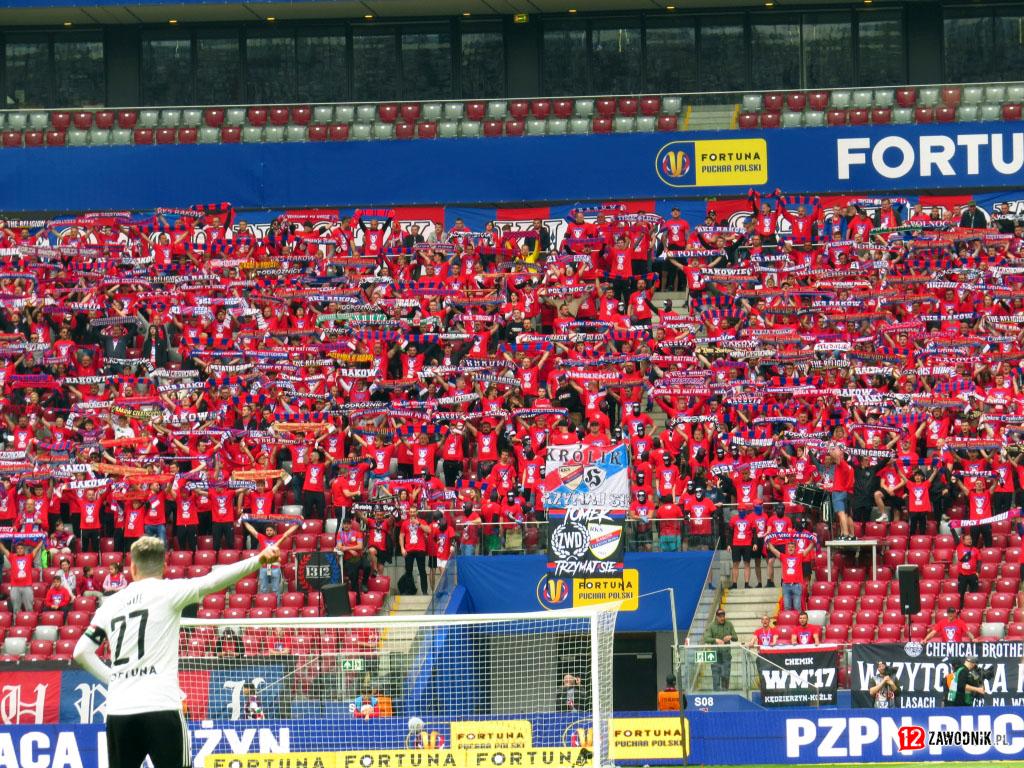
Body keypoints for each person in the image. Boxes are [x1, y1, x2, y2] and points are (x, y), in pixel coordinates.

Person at [73, 536, 282, 768]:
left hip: (120, 709)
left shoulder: (110, 604)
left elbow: (81, 652)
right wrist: (258, 560)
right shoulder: (169, 591)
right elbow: (213, 581)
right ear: (164, 567)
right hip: (161, 706)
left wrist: (114, 678)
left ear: (132, 567)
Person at [242, 521, 297, 600]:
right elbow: (252, 530)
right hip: (264, 567)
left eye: (271, 530)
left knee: (276, 590)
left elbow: (288, 533)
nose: (269, 532)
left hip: (275, 568)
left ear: (274, 531)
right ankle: (264, 605)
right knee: (263, 589)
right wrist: (245, 522)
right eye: (267, 530)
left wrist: (297, 524)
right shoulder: (261, 537)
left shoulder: (278, 538)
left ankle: (277, 606)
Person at [0, 539, 44, 613]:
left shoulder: (29, 557)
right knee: (16, 609)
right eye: (18, 548)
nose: (20, 550)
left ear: (24, 550)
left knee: (29, 608)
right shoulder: (12, 557)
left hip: (27, 586)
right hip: (15, 587)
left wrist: (42, 539)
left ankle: (29, 620)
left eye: (21, 548)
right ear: (16, 550)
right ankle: (16, 620)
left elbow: (36, 549)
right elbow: (4, 549)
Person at [767, 540, 808, 611]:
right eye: (789, 547)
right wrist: (768, 541)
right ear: (787, 548)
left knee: (797, 608)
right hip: (786, 585)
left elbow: (808, 550)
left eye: (792, 547)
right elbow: (773, 550)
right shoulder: (783, 556)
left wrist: (813, 542)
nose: (791, 548)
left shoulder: (799, 556)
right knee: (787, 607)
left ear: (795, 548)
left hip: (797, 585)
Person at [702, 609, 737, 690]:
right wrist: (715, 640)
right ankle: (717, 693)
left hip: (726, 654)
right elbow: (706, 638)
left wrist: (730, 637)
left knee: (726, 674)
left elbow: (736, 637)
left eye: (723, 616)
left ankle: (725, 692)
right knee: (716, 675)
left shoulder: (729, 624)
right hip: (715, 655)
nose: (722, 618)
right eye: (720, 616)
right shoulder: (711, 625)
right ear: (716, 617)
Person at [400, 509, 430, 595]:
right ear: (409, 513)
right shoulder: (405, 523)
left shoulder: (422, 521)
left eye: (414, 511)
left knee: (422, 570)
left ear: (417, 513)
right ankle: (410, 591)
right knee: (408, 571)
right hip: (408, 550)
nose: (412, 513)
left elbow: (428, 530)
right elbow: (401, 536)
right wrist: (402, 548)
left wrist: (418, 523)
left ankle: (424, 591)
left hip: (420, 549)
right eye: (411, 511)